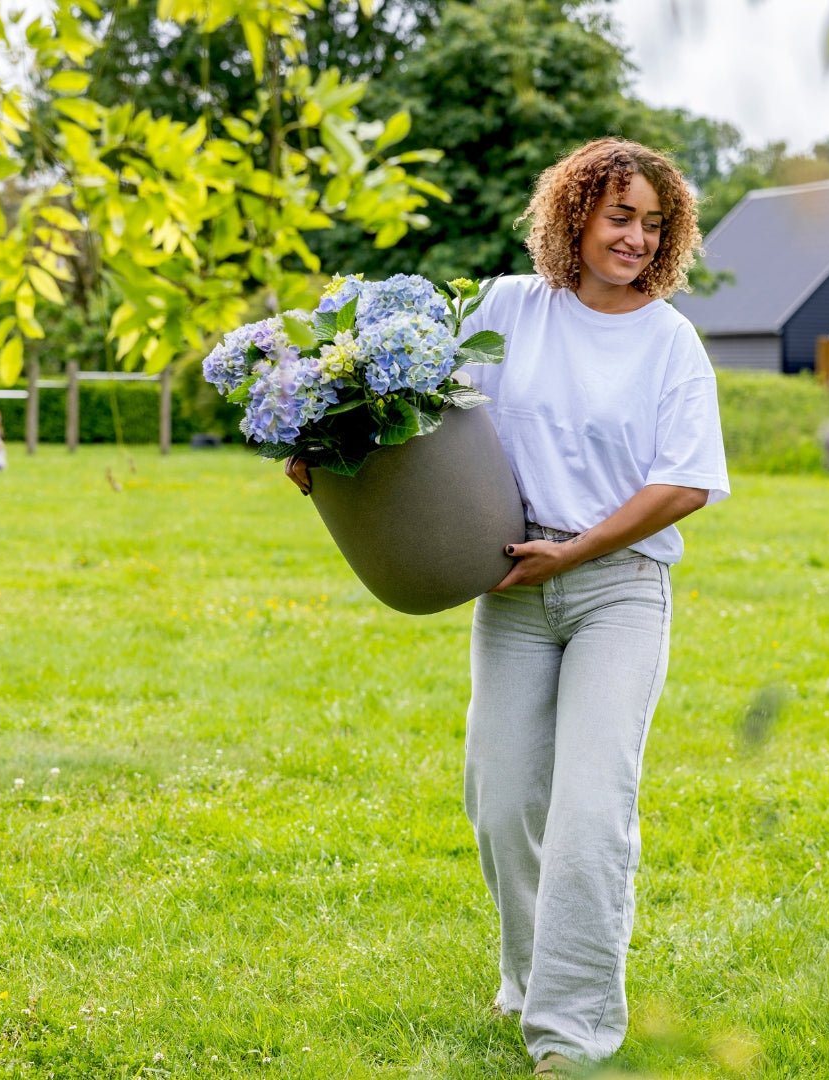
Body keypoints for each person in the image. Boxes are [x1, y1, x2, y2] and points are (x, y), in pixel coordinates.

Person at [288, 137, 729, 1076]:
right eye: (620, 217)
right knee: (501, 804)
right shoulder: (507, 310)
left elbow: (686, 482)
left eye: (655, 224)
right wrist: (325, 443)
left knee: (590, 815)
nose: (637, 239)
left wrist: (575, 550)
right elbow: (411, 412)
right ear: (575, 214)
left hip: (617, 590)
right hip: (513, 590)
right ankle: (528, 978)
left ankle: (572, 1035)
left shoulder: (669, 341)